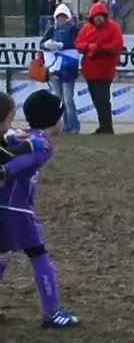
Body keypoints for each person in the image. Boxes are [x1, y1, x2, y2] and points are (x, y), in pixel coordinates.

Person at [0, 90, 80, 328]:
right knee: (38, 255)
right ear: (55, 120)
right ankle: (52, 312)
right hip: (16, 209)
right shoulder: (42, 141)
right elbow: (29, 161)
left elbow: (14, 143)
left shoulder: (18, 135)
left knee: (2, 255)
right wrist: (7, 171)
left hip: (5, 205)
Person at [74, 1, 124, 135]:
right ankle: (104, 126)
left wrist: (100, 49)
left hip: (105, 70)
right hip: (90, 71)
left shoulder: (113, 27)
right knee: (96, 99)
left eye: (100, 16)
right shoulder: (86, 28)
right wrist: (88, 47)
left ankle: (107, 127)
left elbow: (117, 44)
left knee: (103, 99)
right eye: (96, 16)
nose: (98, 18)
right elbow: (78, 44)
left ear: (104, 15)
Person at [41, 3, 81, 133]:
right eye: (59, 17)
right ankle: (62, 126)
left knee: (68, 99)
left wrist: (61, 45)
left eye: (63, 16)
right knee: (58, 99)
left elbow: (78, 42)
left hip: (68, 68)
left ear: (68, 17)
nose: (61, 19)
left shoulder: (73, 29)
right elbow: (42, 43)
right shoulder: (52, 29)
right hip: (55, 68)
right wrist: (48, 45)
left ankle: (73, 125)